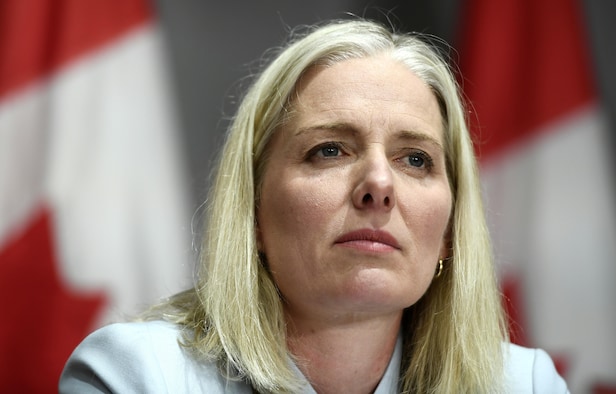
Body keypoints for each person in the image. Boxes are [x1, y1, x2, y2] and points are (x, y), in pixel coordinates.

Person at [59, 19, 568, 393]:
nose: (378, 183)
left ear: (452, 230)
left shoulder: (525, 385)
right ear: (253, 212)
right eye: (329, 150)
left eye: (415, 159)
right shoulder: (135, 376)